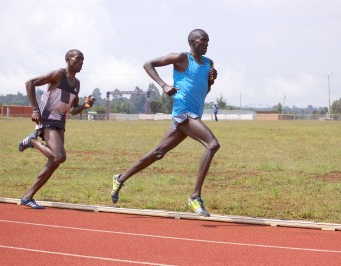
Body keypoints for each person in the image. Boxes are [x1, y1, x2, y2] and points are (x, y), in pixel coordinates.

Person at [111, 29, 219, 217]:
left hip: (194, 114)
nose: (206, 44)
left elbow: (203, 92)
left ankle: (120, 177)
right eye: (203, 41)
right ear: (192, 42)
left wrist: (211, 82)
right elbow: (148, 64)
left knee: (158, 153)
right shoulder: (181, 58)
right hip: (183, 113)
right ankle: (195, 196)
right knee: (212, 144)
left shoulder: (209, 64)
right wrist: (164, 85)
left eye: (208, 41)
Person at [18, 49, 95, 209]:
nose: (81, 63)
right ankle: (32, 141)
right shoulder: (59, 74)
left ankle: (27, 197)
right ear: (68, 59)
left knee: (54, 162)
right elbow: (29, 83)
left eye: (83, 60)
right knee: (60, 157)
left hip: (60, 122)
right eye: (78, 59)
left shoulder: (77, 84)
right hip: (46, 117)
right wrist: (35, 109)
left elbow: (72, 110)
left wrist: (84, 107)